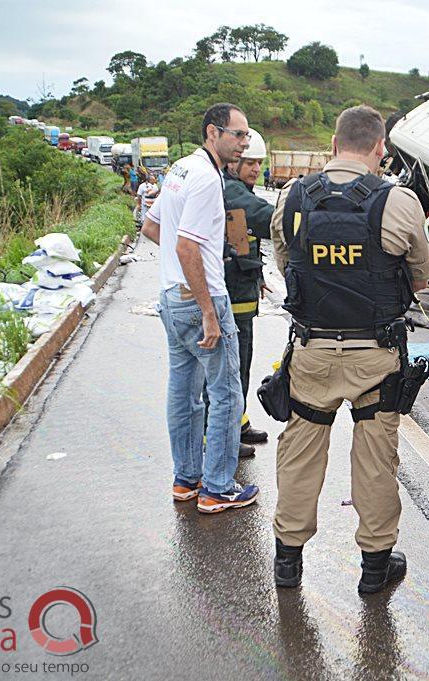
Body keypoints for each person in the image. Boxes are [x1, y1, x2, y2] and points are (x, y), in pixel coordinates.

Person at [269, 105, 429, 594]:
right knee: (376, 462)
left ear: (334, 143)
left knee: (299, 456)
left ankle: (287, 563)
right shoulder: (399, 202)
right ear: (380, 148)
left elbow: (286, 265)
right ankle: (375, 568)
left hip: (312, 351)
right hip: (375, 357)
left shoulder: (292, 198)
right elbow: (420, 277)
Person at [140, 102, 259, 514]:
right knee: (226, 395)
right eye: (237, 135)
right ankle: (218, 487)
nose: (244, 144)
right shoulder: (209, 179)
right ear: (213, 133)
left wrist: (181, 269)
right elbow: (187, 244)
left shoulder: (179, 170)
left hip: (172, 297)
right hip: (200, 300)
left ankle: (186, 480)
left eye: (245, 135)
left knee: (183, 392)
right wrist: (207, 307)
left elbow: (151, 226)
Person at [213, 128, 274, 457]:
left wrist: (259, 273)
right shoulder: (232, 191)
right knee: (228, 368)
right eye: (249, 162)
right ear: (235, 162)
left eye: (259, 164)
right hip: (232, 298)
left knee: (241, 364)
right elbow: (264, 219)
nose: (255, 169)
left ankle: (237, 421)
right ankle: (221, 436)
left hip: (243, 294)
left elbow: (242, 242)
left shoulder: (240, 190)